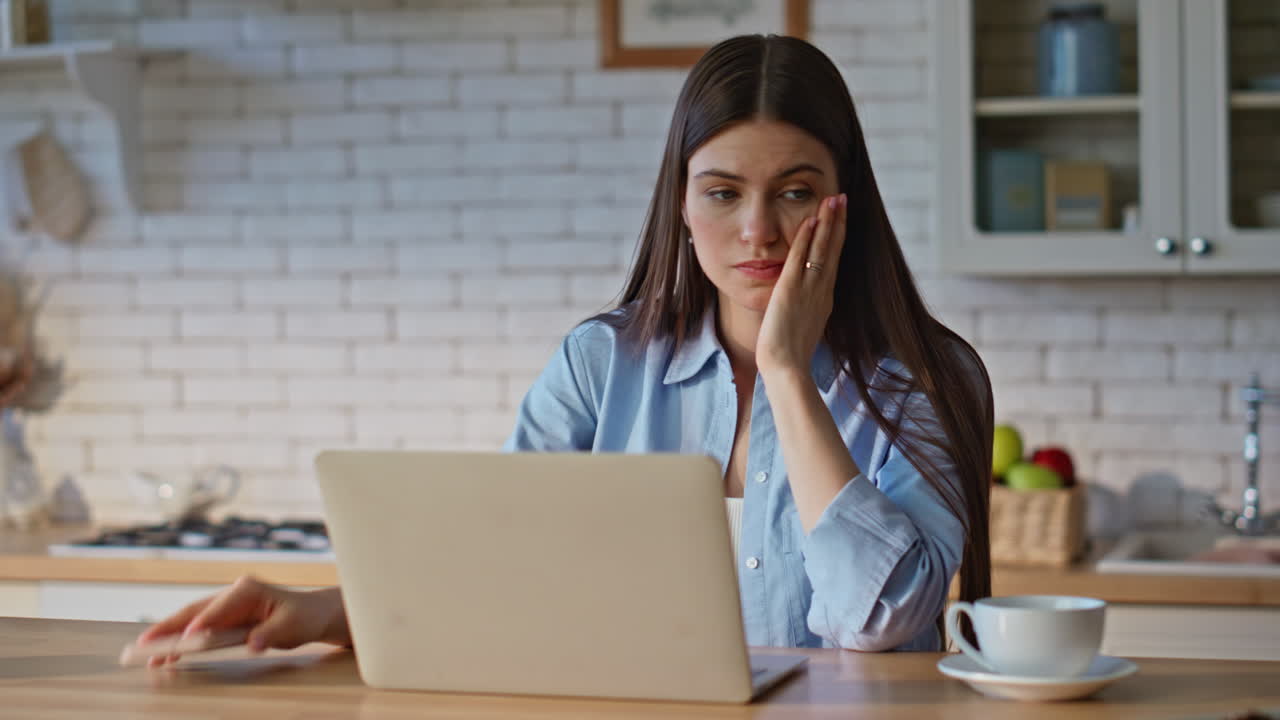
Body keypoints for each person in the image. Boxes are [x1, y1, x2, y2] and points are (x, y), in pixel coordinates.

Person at [135, 34, 992, 665]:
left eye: (795, 192)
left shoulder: (922, 379)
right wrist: (330, 609)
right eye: (723, 192)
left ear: (845, 203)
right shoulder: (597, 366)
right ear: (683, 207)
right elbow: (502, 569)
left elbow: (885, 622)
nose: (758, 230)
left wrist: (785, 370)